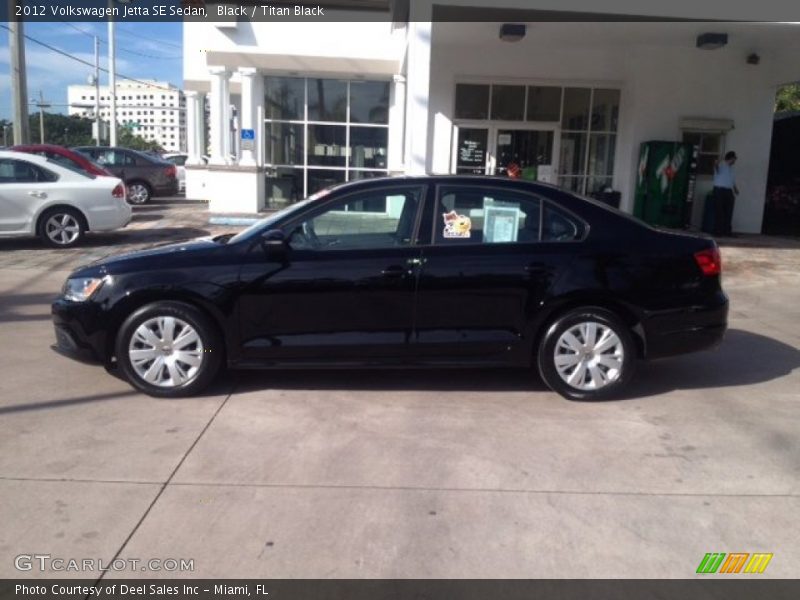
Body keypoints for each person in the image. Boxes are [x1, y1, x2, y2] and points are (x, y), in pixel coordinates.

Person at [712, 151, 739, 236]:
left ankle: (727, 231)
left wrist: (735, 189)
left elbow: (732, 180)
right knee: (719, 211)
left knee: (728, 211)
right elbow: (716, 166)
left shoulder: (732, 169)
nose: (735, 161)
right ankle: (718, 232)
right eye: (734, 159)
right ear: (731, 158)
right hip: (719, 190)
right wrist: (720, 159)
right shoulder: (721, 166)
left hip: (728, 191)